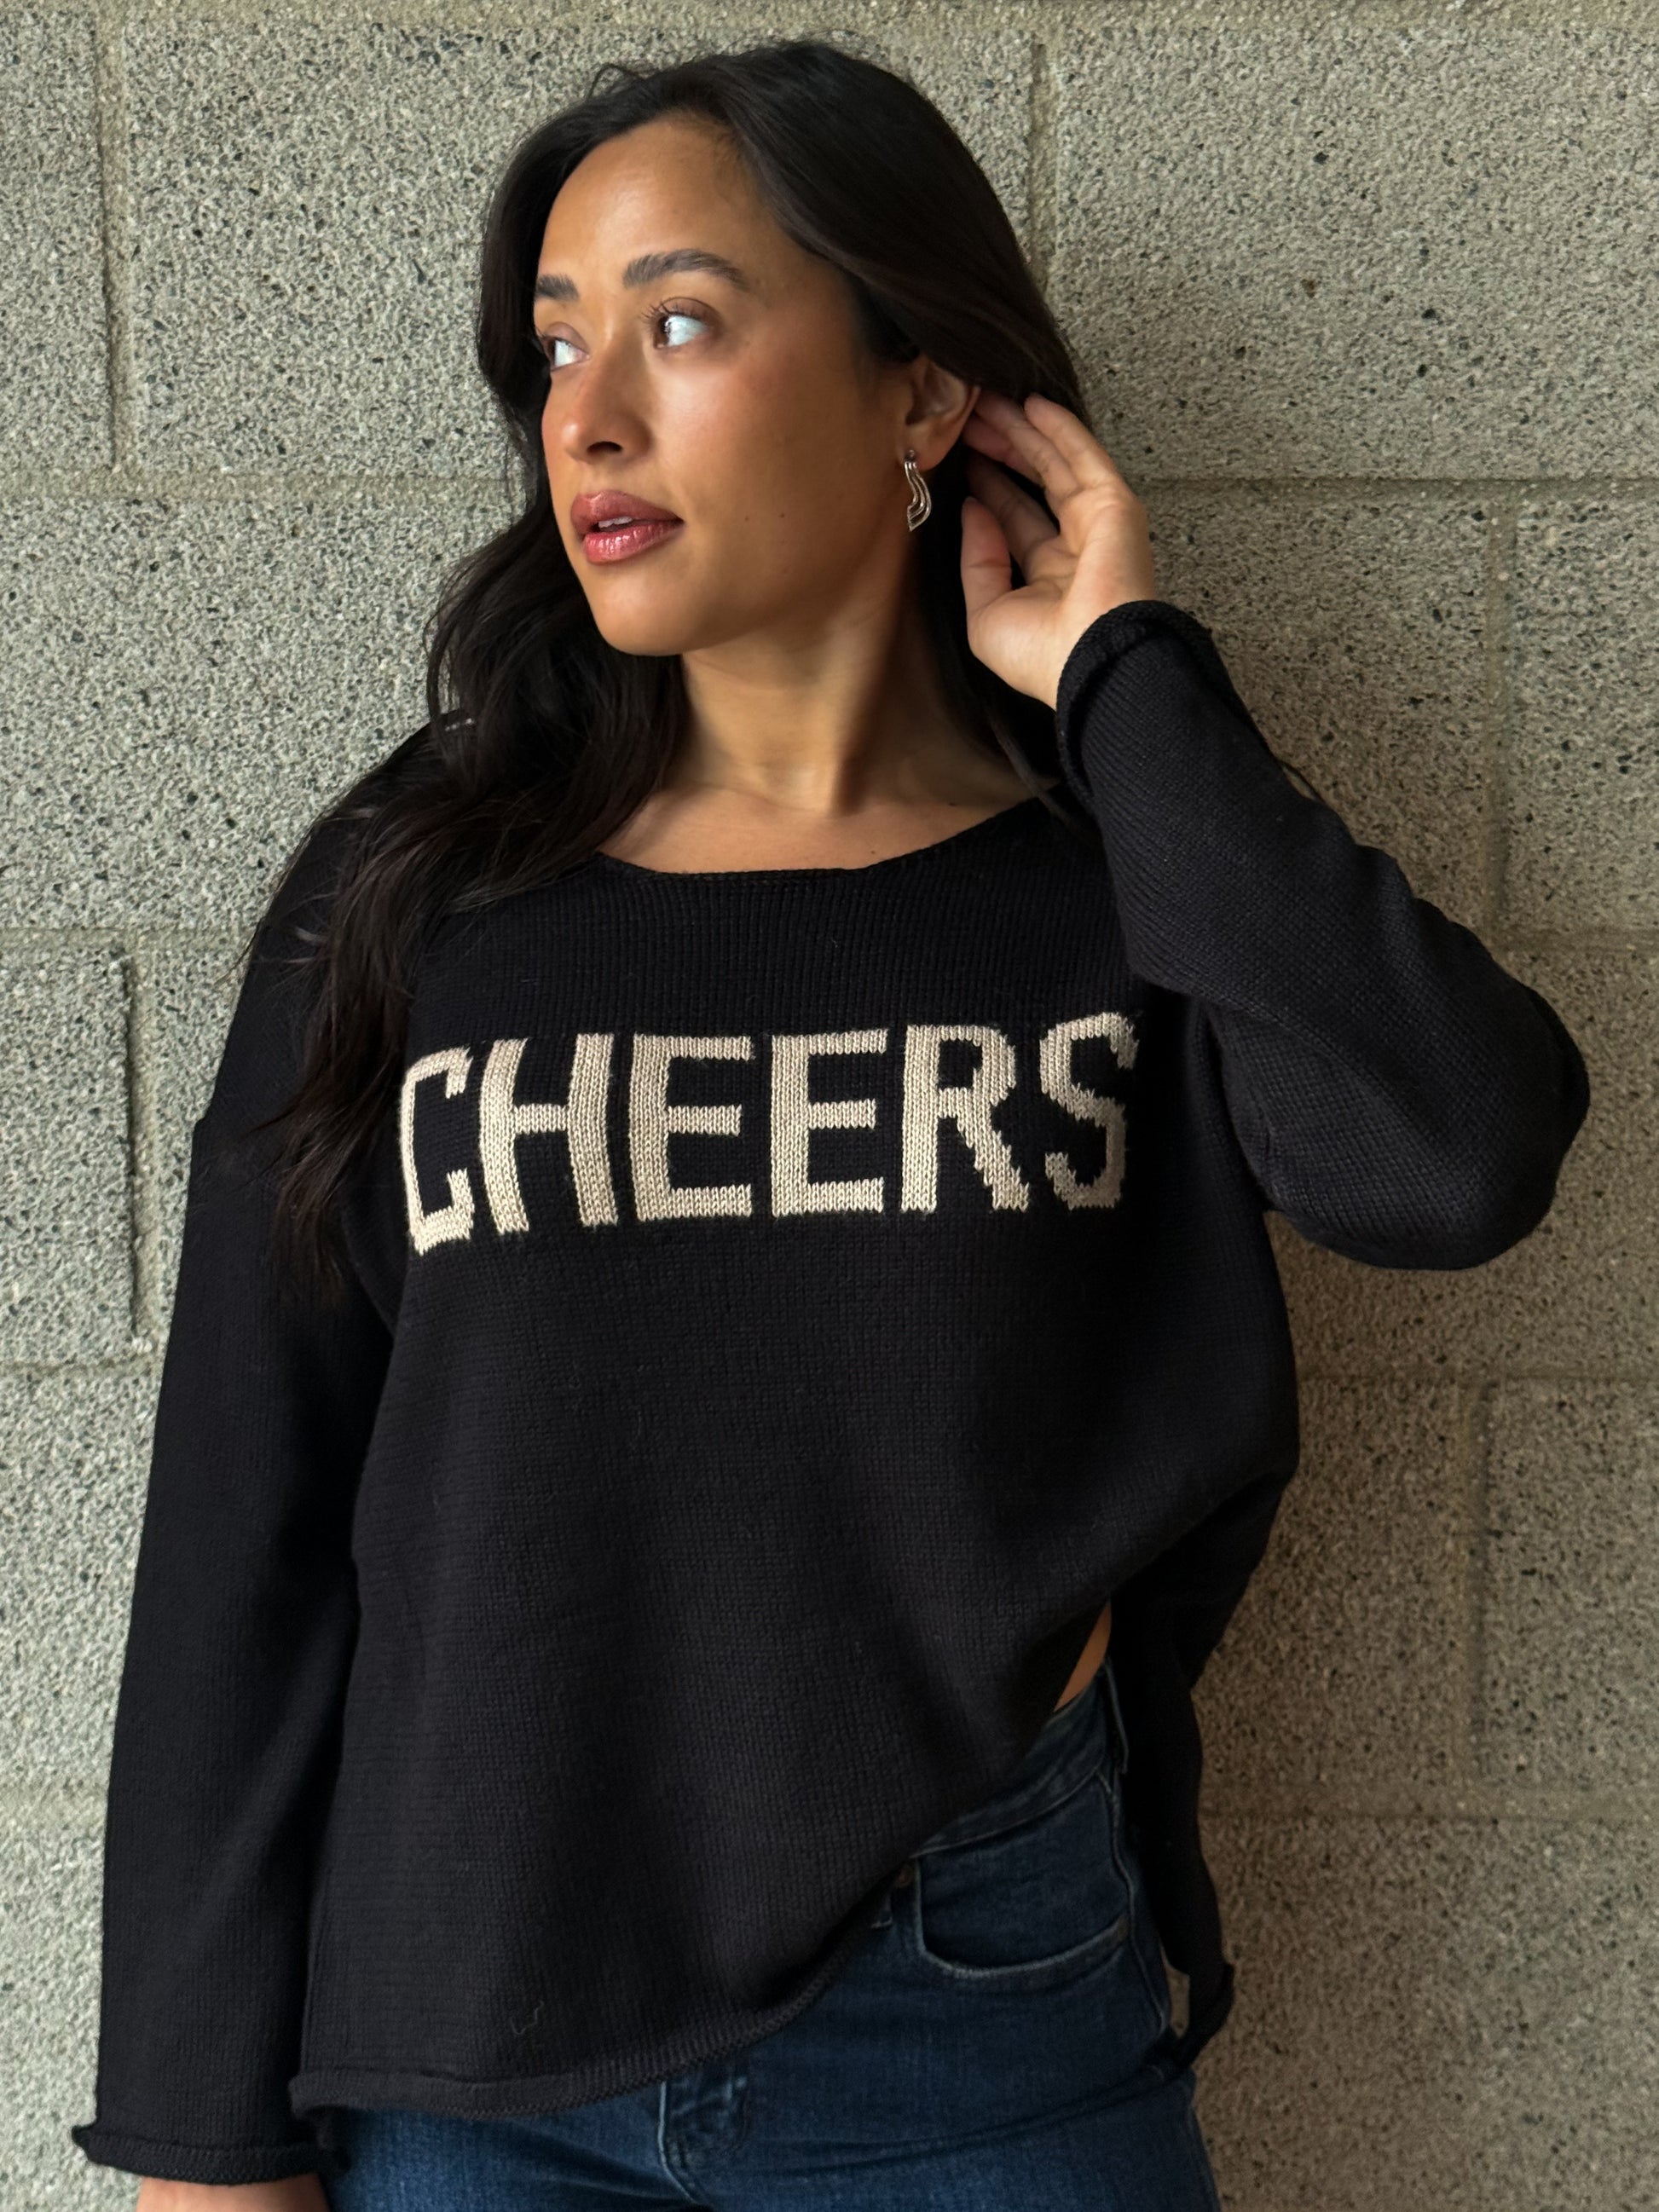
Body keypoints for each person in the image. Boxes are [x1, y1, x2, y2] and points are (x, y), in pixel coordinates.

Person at [71, 36, 1591, 2212]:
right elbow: (246, 1518)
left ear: (923, 391)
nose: (587, 415)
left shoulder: (1120, 874)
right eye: (557, 346)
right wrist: (201, 2142)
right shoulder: (417, 889)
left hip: (978, 2011)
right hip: (471, 2045)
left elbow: (1454, 1157)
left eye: (680, 323)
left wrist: (1129, 679)